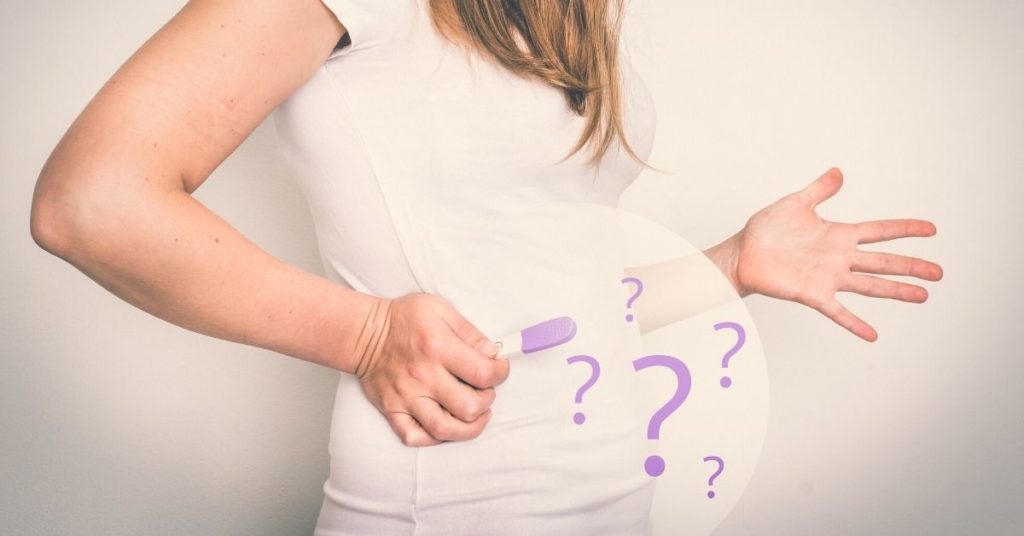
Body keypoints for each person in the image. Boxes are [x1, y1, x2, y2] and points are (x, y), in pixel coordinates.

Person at [28, 0, 943, 534]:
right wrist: (366, 332)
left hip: (616, 507)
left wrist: (731, 266)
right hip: (452, 510)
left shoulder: (558, 16)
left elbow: (545, 317)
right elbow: (91, 202)